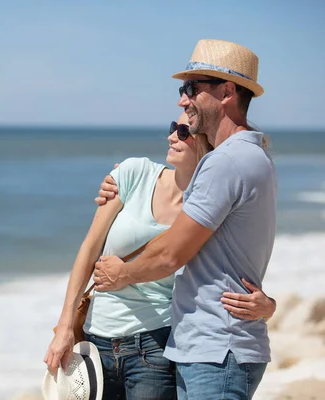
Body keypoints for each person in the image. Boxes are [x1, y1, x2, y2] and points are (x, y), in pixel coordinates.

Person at [44, 111, 276, 400]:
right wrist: (64, 327)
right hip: (94, 340)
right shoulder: (132, 173)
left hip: (155, 347)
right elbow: (89, 249)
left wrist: (267, 305)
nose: (171, 136)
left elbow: (227, 265)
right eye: (172, 128)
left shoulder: (209, 207)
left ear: (205, 142)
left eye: (183, 131)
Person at [92, 39, 277, 400]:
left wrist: (120, 274)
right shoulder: (253, 157)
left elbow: (171, 254)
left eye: (192, 88)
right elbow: (230, 253)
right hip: (212, 347)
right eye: (183, 89)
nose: (182, 100)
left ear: (226, 91)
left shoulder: (227, 162)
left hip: (217, 350)